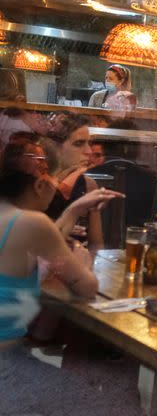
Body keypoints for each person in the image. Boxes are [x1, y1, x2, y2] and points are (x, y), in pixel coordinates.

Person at [0, 133, 99, 342]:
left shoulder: (14, 219)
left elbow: (46, 244)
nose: (56, 184)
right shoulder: (34, 223)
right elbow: (87, 288)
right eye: (53, 176)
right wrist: (82, 263)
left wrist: (73, 211)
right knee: (112, 375)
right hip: (7, 362)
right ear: (38, 186)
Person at [45, 113, 106, 253]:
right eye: (78, 144)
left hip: (77, 265)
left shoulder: (88, 185)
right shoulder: (38, 185)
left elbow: (96, 245)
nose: (89, 151)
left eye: (89, 144)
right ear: (55, 147)